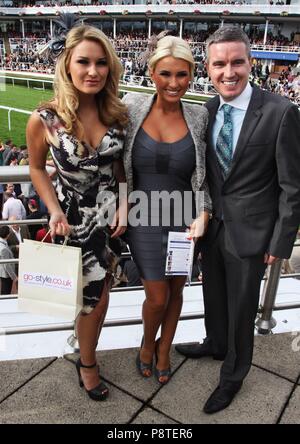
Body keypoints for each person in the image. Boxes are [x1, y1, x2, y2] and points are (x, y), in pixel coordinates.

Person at [176, 26, 300, 414]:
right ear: (208, 69)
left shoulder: (282, 112)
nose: (228, 72)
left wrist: (280, 244)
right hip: (212, 230)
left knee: (243, 310)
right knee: (213, 297)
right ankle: (215, 343)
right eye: (219, 64)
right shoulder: (206, 111)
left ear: (251, 63)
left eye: (236, 63)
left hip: (254, 236)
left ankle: (233, 375)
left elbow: (293, 187)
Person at [26, 20, 128, 402]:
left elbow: (119, 169)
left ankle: (86, 352)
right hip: (71, 222)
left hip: (109, 221)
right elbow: (37, 168)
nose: (93, 71)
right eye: (84, 61)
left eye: (101, 63)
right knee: (89, 300)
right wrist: (52, 208)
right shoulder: (45, 119)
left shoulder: (118, 115)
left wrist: (122, 203)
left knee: (101, 297)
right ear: (68, 63)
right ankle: (88, 364)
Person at [123, 34, 211, 384]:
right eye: (165, 74)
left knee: (177, 292)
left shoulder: (199, 115)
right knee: (157, 297)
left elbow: (204, 176)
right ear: (151, 73)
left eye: (182, 74)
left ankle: (164, 350)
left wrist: (204, 213)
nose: (174, 83)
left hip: (184, 220)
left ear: (192, 74)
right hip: (142, 218)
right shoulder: (131, 106)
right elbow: (117, 162)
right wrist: (117, 202)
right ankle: (148, 343)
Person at [0, 225, 17, 295]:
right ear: (7, 235)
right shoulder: (3, 248)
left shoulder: (3, 242)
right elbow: (6, 265)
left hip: (4, 274)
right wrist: (14, 277)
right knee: (6, 292)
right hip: (6, 275)